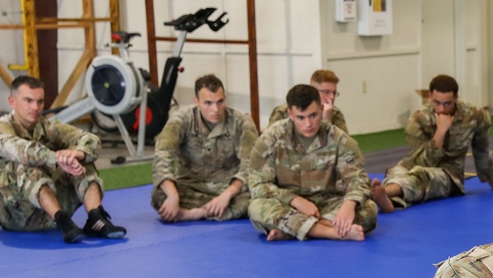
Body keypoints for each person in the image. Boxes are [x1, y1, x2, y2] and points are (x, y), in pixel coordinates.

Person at [0, 75, 126, 242]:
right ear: (12, 102)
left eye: (40, 101)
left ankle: (96, 218)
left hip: (45, 213)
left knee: (79, 159)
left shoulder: (46, 127)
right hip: (15, 215)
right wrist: (56, 158)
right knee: (26, 163)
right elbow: (20, 149)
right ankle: (63, 221)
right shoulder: (2, 128)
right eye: (28, 101)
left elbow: (89, 139)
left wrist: (77, 154)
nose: (35, 107)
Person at [247, 84, 376, 241]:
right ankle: (331, 232)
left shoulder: (338, 139)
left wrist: (349, 205)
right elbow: (257, 184)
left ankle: (293, 230)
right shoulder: (271, 138)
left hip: (326, 204)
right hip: (286, 204)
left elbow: (359, 179)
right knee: (256, 208)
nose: (308, 124)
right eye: (301, 118)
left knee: (369, 210)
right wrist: (295, 200)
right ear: (290, 113)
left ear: (321, 109)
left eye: (313, 115)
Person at [370, 74, 493, 213]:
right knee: (396, 174)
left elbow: (482, 151)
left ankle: (384, 194)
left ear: (456, 99)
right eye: (437, 103)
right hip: (416, 164)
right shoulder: (418, 120)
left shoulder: (474, 115)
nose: (442, 109)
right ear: (430, 97)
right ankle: (384, 200)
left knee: (423, 177)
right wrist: (440, 133)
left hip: (449, 175)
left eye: (447, 104)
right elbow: (420, 160)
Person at [151, 74, 258, 222]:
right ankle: (216, 212)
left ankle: (194, 214)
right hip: (190, 186)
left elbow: (250, 167)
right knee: (159, 195)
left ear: (225, 98)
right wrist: (173, 196)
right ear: (196, 102)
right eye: (208, 103)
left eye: (220, 102)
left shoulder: (242, 123)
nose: (215, 109)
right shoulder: (180, 120)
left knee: (257, 198)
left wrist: (226, 195)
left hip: (229, 189)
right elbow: (162, 158)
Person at [268, 69, 349, 134]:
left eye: (334, 93)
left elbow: (344, 146)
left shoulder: (334, 113)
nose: (331, 97)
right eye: (327, 92)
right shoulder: (282, 112)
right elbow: (270, 143)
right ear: (314, 91)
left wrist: (327, 120)